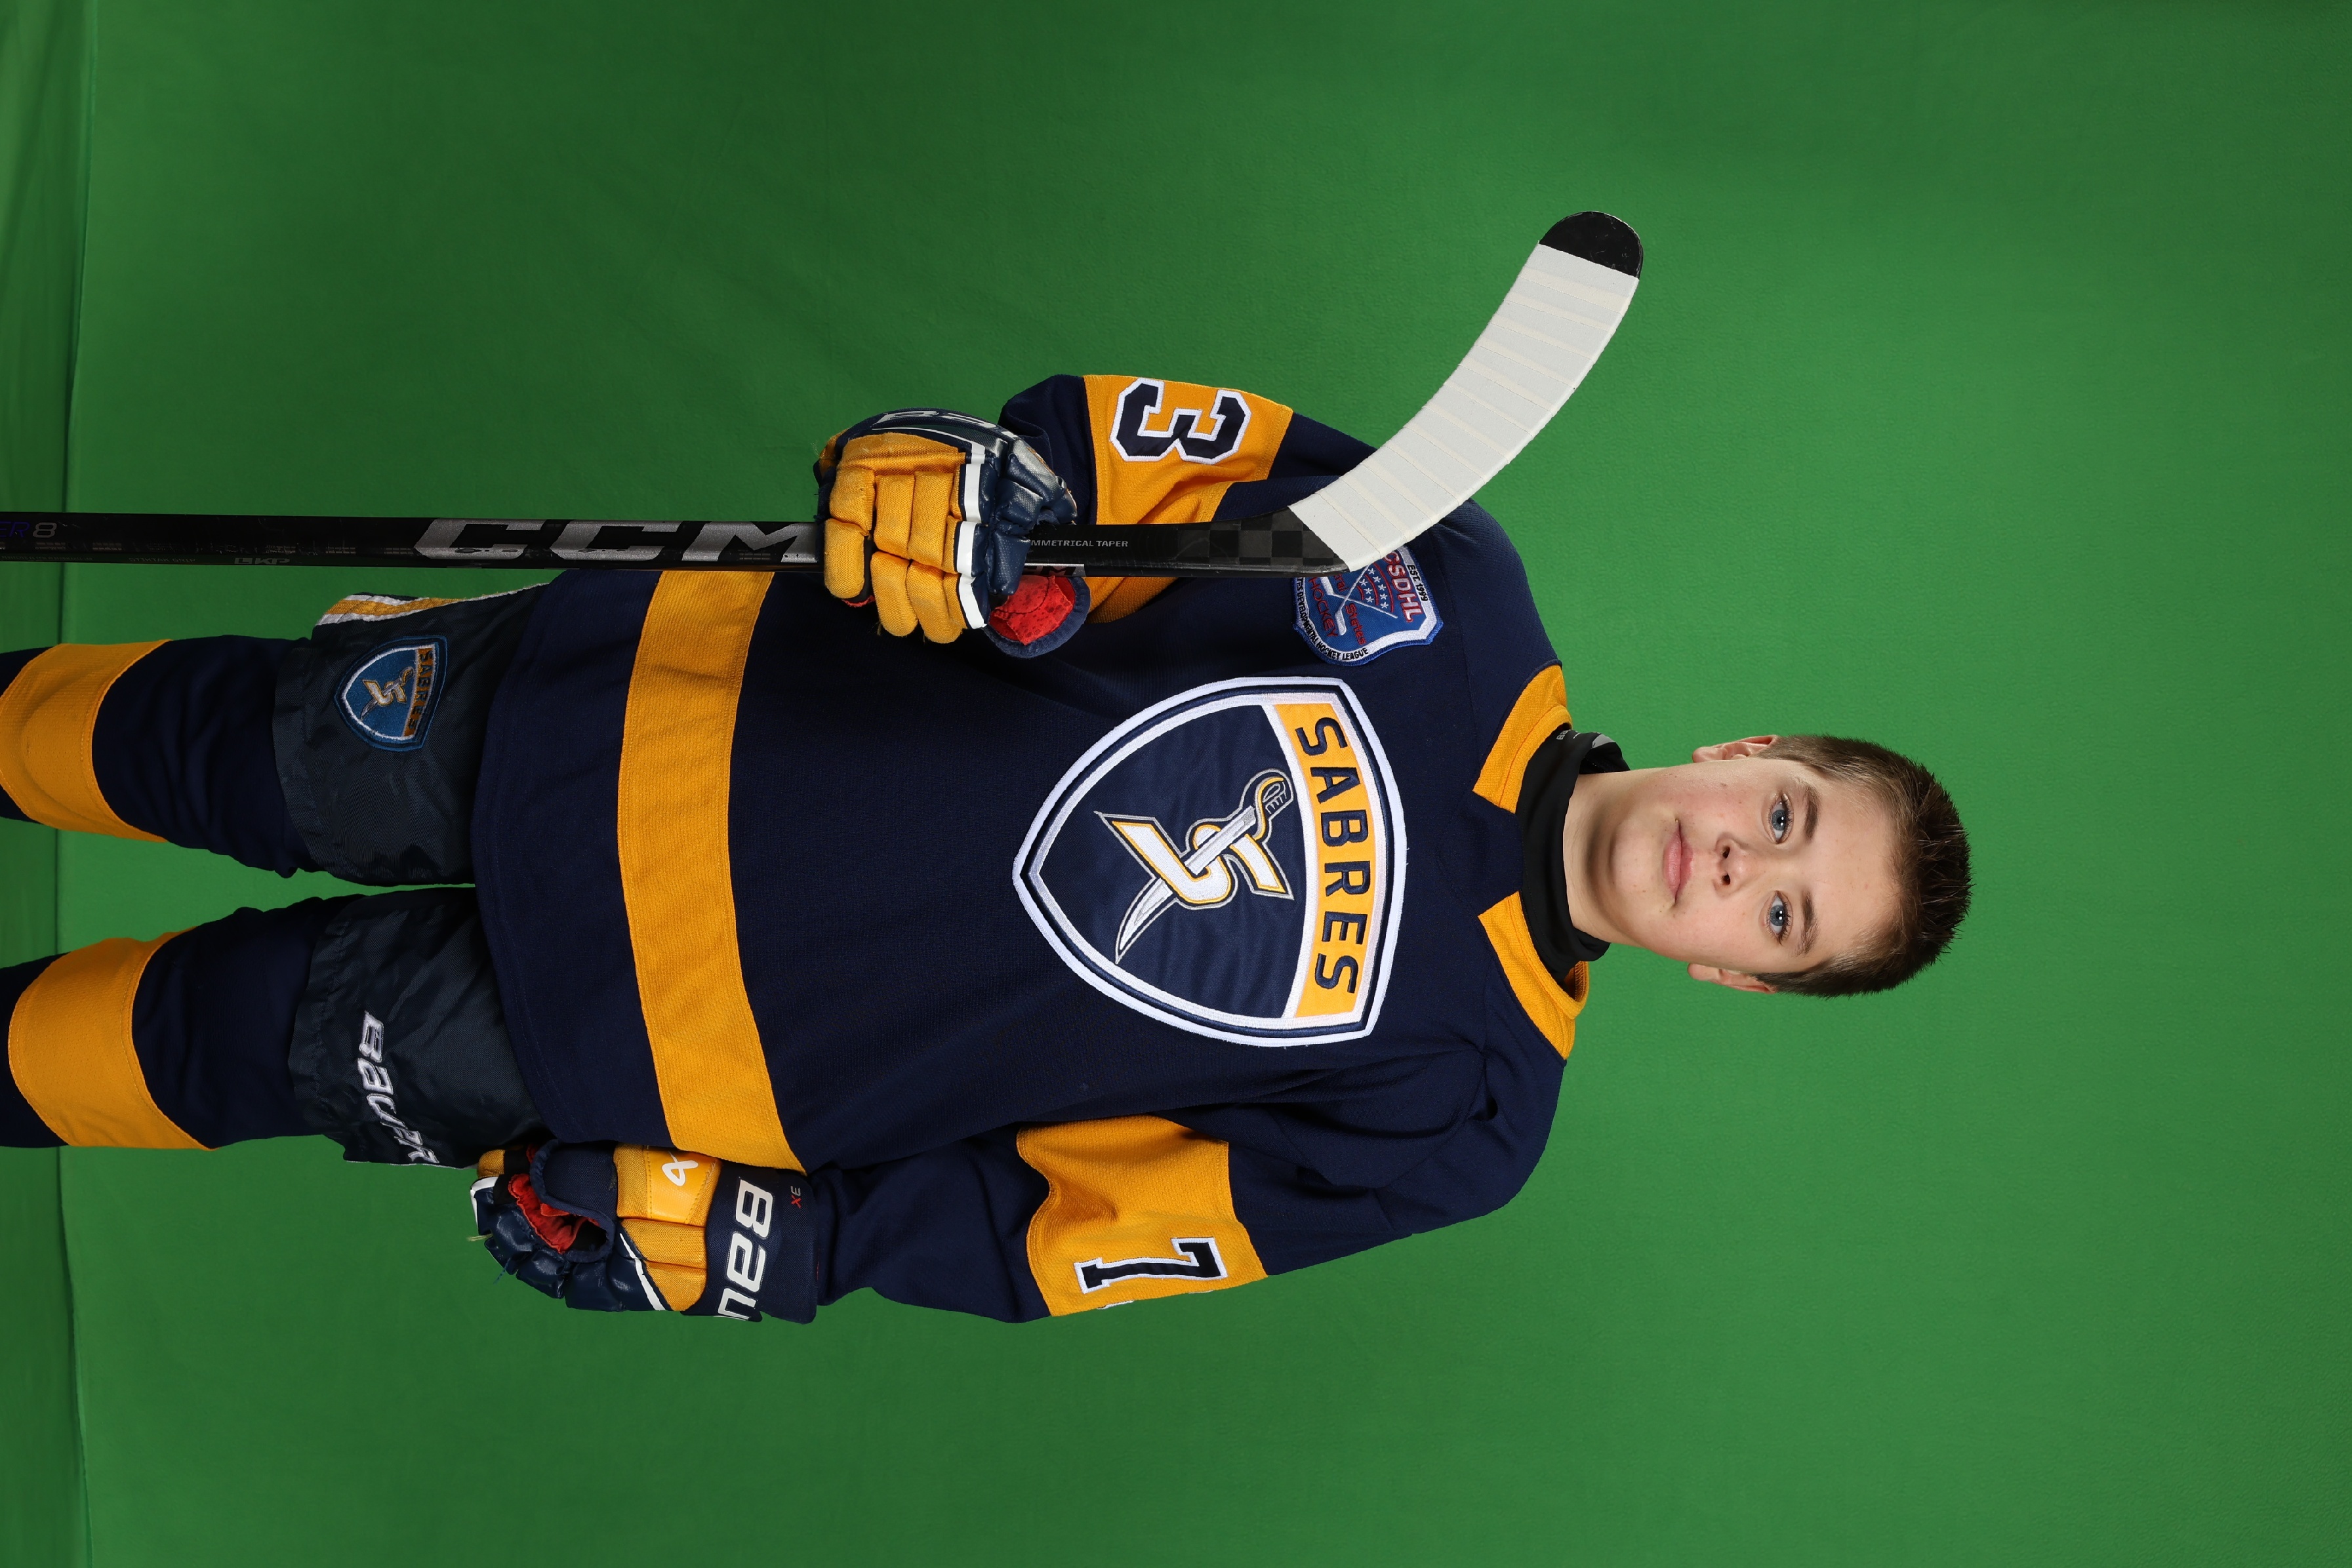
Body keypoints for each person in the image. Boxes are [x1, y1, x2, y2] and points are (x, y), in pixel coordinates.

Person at [0, 374, 1971, 1324]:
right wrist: (994, 488)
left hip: (658, 1043)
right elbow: (1125, 458)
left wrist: (787, 1245)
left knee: (203, 1048)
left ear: (1737, 976)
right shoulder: (1449, 571)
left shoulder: (1471, 1120)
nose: (1740, 867)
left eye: (1785, 919)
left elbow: (1078, 1229)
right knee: (201, 741)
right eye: (1783, 819)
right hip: (643, 712)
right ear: (1750, 749)